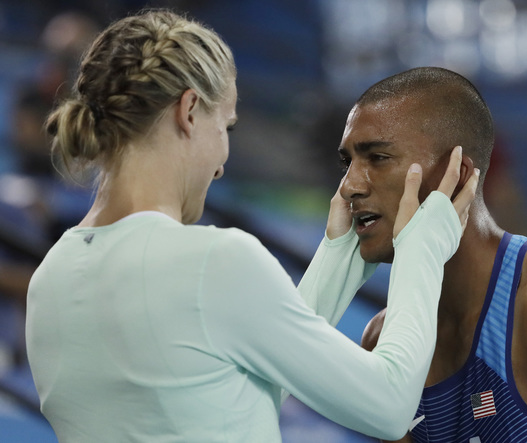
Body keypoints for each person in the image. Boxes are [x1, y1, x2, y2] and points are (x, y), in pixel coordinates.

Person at [24, 10, 479, 442]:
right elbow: (388, 405)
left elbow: (234, 391)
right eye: (227, 127)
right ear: (189, 111)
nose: (222, 164)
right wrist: (423, 248)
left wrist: (339, 258)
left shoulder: (50, 279)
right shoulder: (213, 263)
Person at [344, 67, 527, 442]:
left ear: (457, 173)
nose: (349, 186)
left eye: (378, 158)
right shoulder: (380, 341)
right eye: (347, 163)